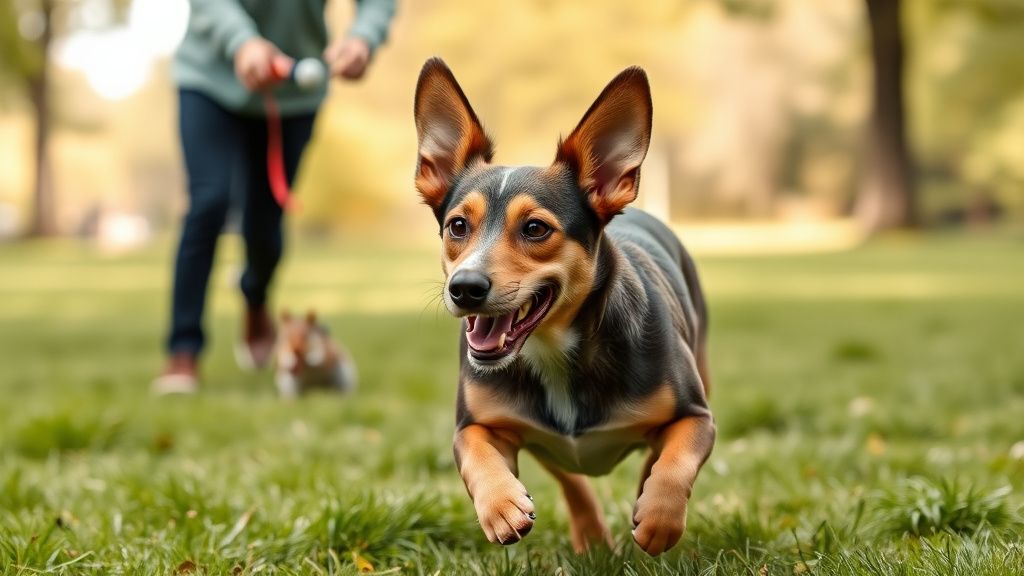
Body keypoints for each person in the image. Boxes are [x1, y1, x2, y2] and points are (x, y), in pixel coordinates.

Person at [153, 0, 395, 394]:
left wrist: (362, 38)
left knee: (265, 224)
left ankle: (254, 294)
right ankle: (183, 352)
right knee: (208, 203)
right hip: (210, 79)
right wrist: (242, 41)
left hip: (294, 92)